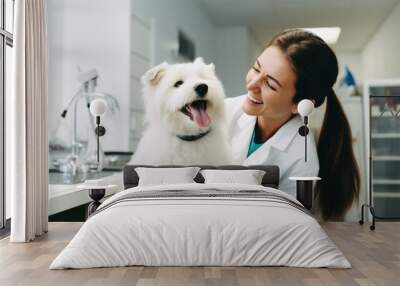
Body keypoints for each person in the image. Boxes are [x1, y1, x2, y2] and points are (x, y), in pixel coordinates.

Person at [225, 29, 360, 220]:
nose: (252, 85)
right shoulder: (223, 110)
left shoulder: (302, 160)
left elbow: (285, 226)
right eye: (256, 68)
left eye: (270, 84)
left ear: (300, 105)